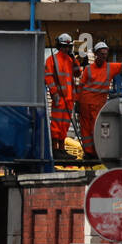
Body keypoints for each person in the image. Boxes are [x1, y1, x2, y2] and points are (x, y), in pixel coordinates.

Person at [77, 41, 122, 159]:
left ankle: (96, 152)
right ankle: (89, 152)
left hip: (97, 104)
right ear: (96, 54)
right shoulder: (88, 69)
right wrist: (77, 101)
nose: (103, 56)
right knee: (86, 128)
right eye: (102, 54)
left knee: (96, 128)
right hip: (85, 103)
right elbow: (81, 86)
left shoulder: (110, 67)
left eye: (105, 54)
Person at [44, 32, 78, 160]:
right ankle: (55, 148)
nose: (66, 49)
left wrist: (74, 59)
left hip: (69, 99)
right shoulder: (52, 60)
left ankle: (62, 149)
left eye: (68, 47)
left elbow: (77, 73)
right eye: (64, 47)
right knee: (56, 125)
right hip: (59, 98)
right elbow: (48, 77)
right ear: (59, 46)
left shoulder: (70, 60)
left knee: (64, 125)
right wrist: (55, 93)